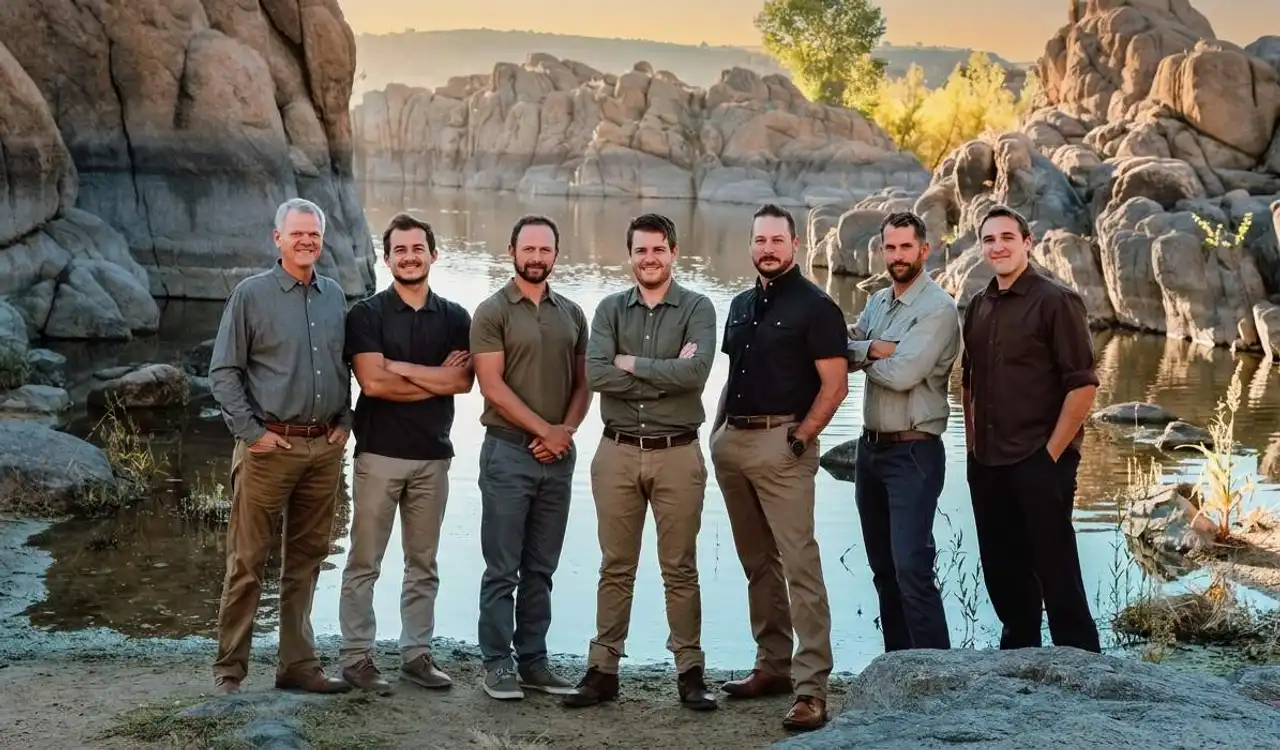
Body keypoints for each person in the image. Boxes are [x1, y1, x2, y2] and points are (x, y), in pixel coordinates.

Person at [564, 214, 718, 711]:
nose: (649, 258)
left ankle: (690, 675)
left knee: (680, 567)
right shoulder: (609, 310)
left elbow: (695, 374)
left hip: (678, 454)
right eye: (640, 250)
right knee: (615, 566)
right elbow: (598, 374)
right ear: (629, 255)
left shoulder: (698, 307)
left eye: (658, 249)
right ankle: (602, 671)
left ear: (674, 252)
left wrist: (633, 364)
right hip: (617, 453)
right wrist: (662, 373)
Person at [710, 203, 849, 731]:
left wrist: (801, 438)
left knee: (800, 566)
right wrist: (717, 430)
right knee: (756, 562)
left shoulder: (817, 306)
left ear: (795, 246)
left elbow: (835, 384)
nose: (767, 248)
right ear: (751, 246)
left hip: (783, 443)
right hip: (733, 444)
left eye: (777, 239)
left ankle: (812, 688)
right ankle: (772, 666)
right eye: (759, 240)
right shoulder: (742, 304)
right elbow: (732, 373)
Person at [208, 197, 354, 695]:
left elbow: (343, 368)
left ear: (322, 238)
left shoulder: (335, 296)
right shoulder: (251, 295)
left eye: (314, 234)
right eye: (297, 234)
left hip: (324, 451)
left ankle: (297, 665)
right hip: (268, 449)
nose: (307, 241)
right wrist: (252, 434)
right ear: (278, 239)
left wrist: (346, 417)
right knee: (247, 562)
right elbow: (223, 372)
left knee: (307, 561)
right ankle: (230, 671)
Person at [336, 213, 474, 693]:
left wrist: (401, 368)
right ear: (388, 257)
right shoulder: (366, 314)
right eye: (400, 250)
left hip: (434, 457)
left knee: (423, 563)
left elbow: (461, 381)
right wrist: (430, 378)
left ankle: (416, 654)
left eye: (418, 248)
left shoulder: (456, 317)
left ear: (434, 254)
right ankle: (356, 657)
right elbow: (372, 383)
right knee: (364, 561)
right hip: (379, 455)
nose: (410, 256)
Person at [961, 204, 1102, 653]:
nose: (997, 246)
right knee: (1002, 571)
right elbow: (968, 384)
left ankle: (1081, 664)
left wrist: (1050, 456)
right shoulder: (979, 305)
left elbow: (1082, 387)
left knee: (1056, 571)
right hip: (987, 463)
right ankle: (1019, 659)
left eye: (1006, 237)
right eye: (988, 239)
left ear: (1027, 243)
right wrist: (971, 451)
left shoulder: (1055, 301)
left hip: (1040, 460)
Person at [470, 214, 592, 700]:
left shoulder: (573, 313)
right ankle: (497, 663)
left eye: (545, 250)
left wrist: (566, 431)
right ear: (512, 252)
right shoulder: (492, 311)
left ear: (556, 255)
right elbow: (492, 387)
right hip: (507, 453)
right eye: (529, 249)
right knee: (502, 567)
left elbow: (584, 384)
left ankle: (534, 662)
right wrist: (546, 430)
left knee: (542, 566)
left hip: (558, 458)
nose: (536, 257)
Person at [847, 211, 960, 653]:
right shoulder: (878, 302)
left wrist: (861, 356)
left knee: (912, 566)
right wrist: (872, 348)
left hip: (914, 453)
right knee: (882, 569)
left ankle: (939, 676)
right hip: (870, 452)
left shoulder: (938, 308)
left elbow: (903, 374)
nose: (897, 256)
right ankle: (898, 667)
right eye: (889, 247)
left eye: (905, 247)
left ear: (923, 250)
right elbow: (847, 343)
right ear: (881, 251)